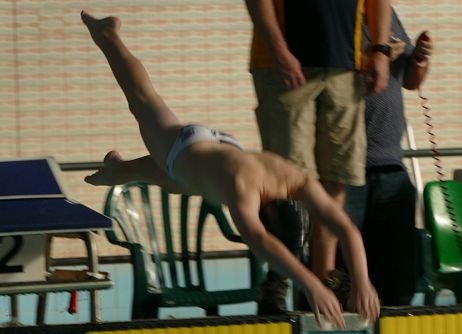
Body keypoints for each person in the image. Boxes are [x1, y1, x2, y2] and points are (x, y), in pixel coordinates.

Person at [80, 11, 380, 327]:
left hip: (218, 150)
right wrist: (311, 283)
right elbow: (263, 243)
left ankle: (117, 169)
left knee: (178, 178)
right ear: (266, 217)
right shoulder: (243, 192)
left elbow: (345, 228)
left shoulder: (296, 179)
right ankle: (108, 36)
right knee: (142, 99)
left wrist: (362, 281)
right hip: (184, 146)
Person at [244, 0, 392, 313]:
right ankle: (279, 282)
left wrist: (380, 48)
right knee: (286, 184)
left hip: (345, 64)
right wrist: (277, 48)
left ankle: (323, 280)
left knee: (337, 177)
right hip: (282, 65)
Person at [344, 8, 433, 306]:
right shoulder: (334, 12)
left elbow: (409, 79)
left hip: (391, 161)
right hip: (346, 167)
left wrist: (418, 58)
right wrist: (377, 54)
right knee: (345, 274)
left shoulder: (385, 13)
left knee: (397, 275)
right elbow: (324, 76)